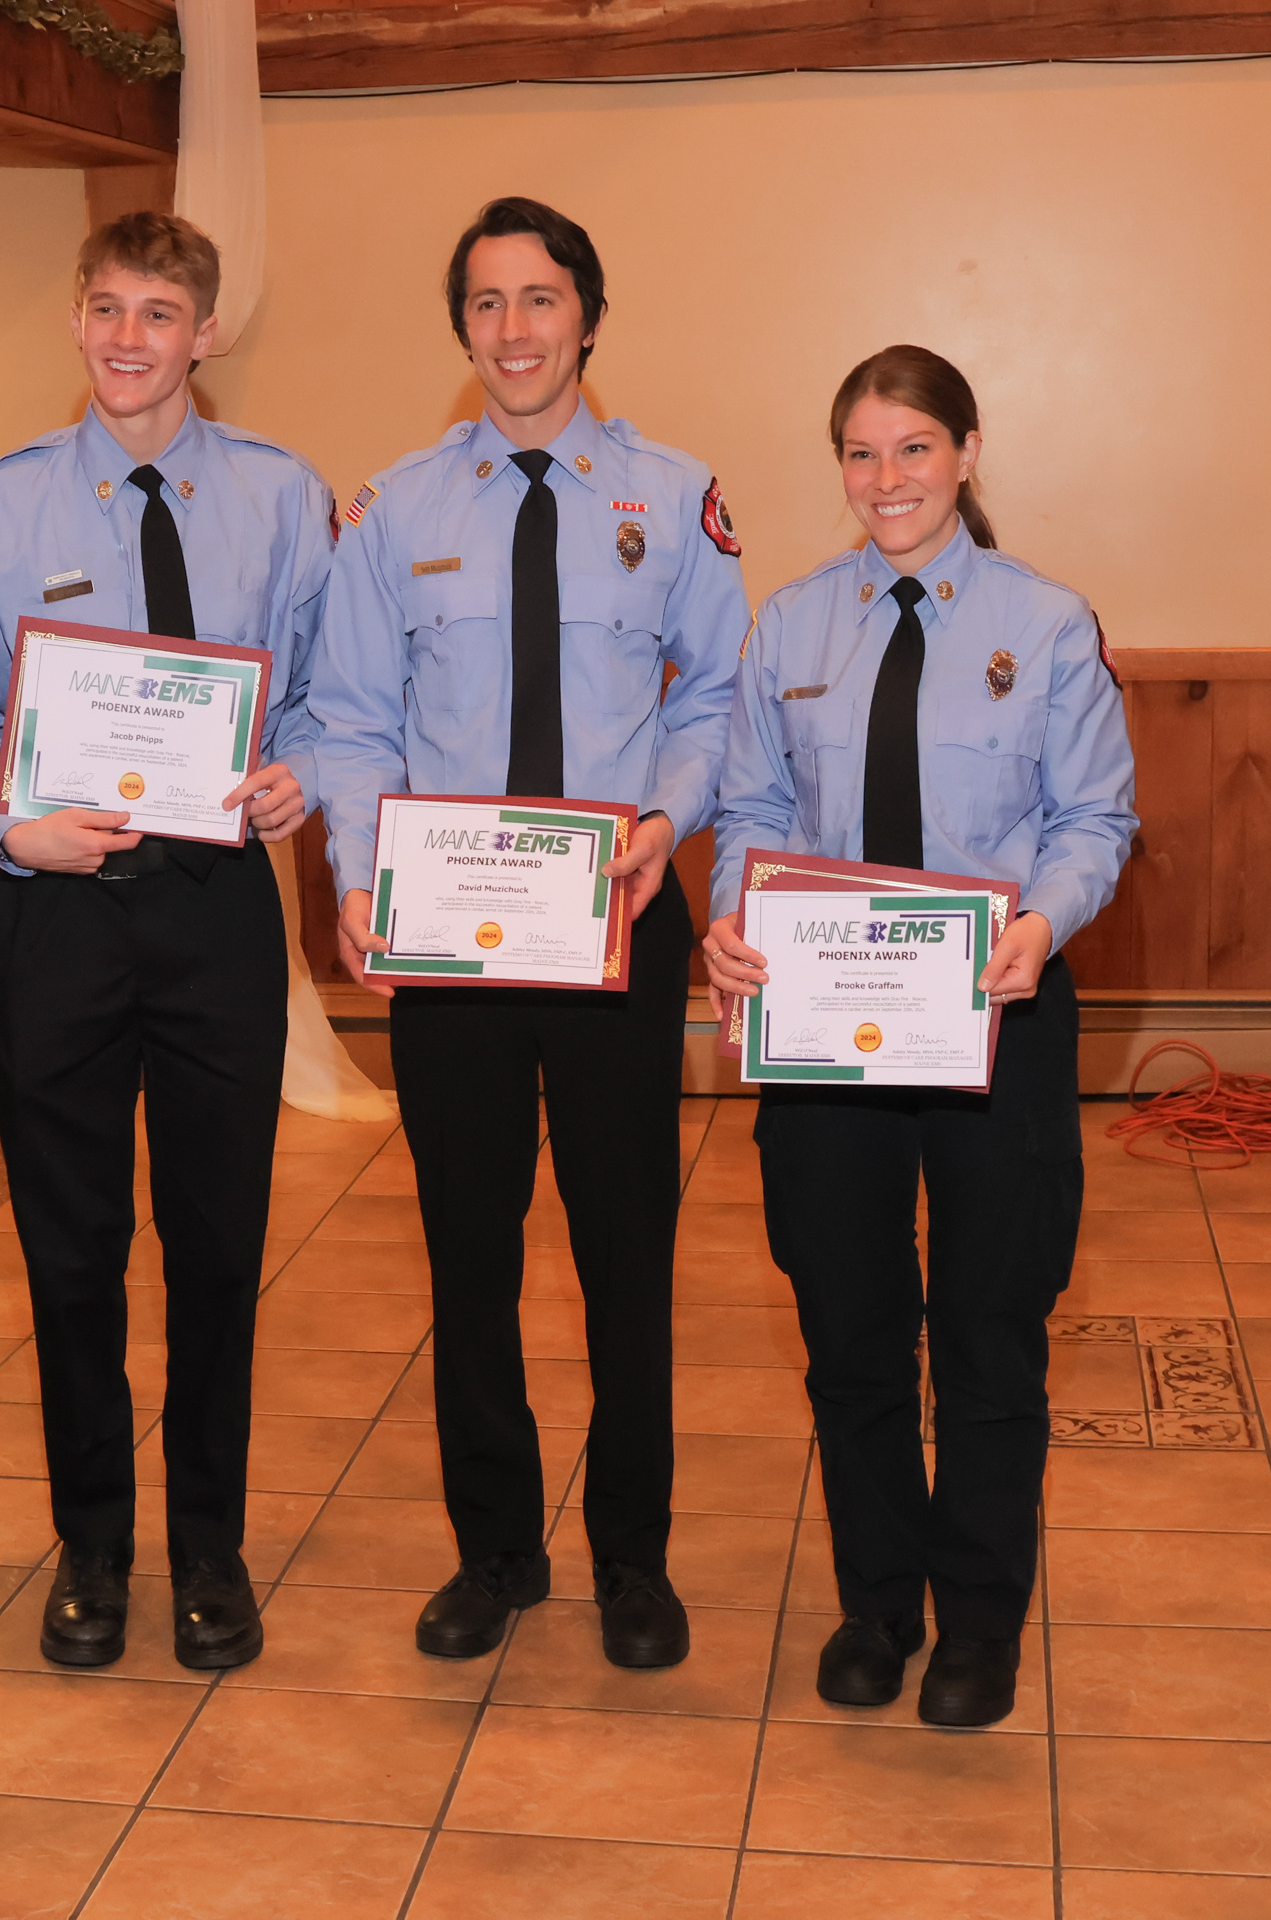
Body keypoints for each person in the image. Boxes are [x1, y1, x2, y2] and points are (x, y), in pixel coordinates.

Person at [311, 197, 746, 1670]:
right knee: (469, 1255)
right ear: (462, 326)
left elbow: (715, 695)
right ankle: (495, 1550)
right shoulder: (394, 510)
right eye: (487, 302)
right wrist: (356, 876)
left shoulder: (674, 498)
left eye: (541, 298)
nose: (514, 329)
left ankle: (634, 1555)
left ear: (590, 318)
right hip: (454, 941)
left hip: (620, 918)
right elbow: (352, 717)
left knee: (627, 1254)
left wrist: (668, 819)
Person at [702, 345, 1135, 1727]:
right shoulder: (791, 626)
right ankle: (879, 1605)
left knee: (990, 1334)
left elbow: (1094, 820)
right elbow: (754, 810)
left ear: (965, 453)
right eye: (860, 452)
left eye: (912, 449)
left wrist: (1044, 924)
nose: (885, 479)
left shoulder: (1046, 624)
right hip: (827, 1034)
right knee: (852, 1331)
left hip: (998, 1014)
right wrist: (730, 921)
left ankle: (979, 1625)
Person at [0, 213, 329, 1671]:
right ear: (75, 318)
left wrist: (303, 777)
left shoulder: (282, 496)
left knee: (218, 1245)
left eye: (158, 314)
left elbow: (327, 695)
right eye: (105, 308)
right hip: (57, 912)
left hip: (217, 906)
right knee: (71, 1248)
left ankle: (210, 1548)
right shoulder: (3, 502)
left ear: (205, 332)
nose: (128, 339)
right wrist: (8, 826)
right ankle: (93, 1548)